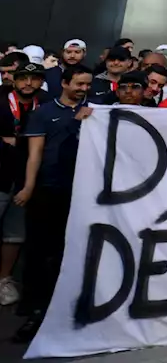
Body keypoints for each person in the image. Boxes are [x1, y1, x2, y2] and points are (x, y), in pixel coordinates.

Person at [10, 64, 93, 341]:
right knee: (37, 250)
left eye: (87, 85)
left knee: (65, 250)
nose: (83, 89)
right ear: (65, 83)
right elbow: (34, 155)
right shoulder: (42, 113)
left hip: (80, 192)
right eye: (79, 84)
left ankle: (58, 305)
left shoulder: (96, 109)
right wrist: (29, 187)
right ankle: (33, 305)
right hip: (47, 189)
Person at [0, 62, 50, 307]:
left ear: (42, 82)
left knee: (14, 235)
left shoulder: (46, 107)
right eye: (23, 78)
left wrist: (13, 141)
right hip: (1, 176)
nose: (28, 84)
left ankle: (4, 280)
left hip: (27, 181)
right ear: (13, 80)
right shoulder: (0, 102)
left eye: (34, 79)